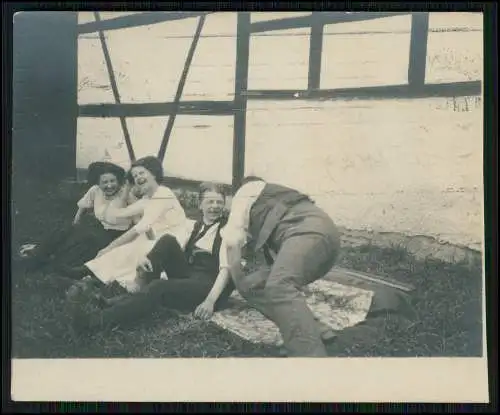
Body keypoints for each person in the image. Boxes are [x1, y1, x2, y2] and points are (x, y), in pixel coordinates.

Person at [68, 182, 235, 332]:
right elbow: (173, 247)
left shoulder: (228, 230)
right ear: (200, 204)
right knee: (167, 240)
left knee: (159, 286)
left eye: (219, 202)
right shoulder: (195, 226)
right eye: (210, 201)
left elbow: (226, 270)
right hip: (190, 274)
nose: (215, 206)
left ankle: (93, 323)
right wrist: (147, 258)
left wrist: (210, 301)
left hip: (209, 284)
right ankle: (134, 299)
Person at [221, 176, 342, 357]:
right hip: (324, 241)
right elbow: (272, 260)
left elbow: (231, 241)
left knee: (278, 286)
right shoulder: (268, 211)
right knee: (253, 284)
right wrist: (244, 285)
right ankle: (313, 329)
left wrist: (236, 278)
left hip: (309, 232)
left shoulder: (246, 192)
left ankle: (311, 357)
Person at [64, 155, 189, 293]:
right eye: (134, 176)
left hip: (170, 242)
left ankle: (94, 277)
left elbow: (140, 227)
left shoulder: (163, 194)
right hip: (155, 236)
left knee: (129, 250)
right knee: (124, 250)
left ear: (153, 173)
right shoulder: (147, 198)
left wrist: (109, 248)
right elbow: (116, 213)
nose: (138, 178)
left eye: (142, 173)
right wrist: (127, 189)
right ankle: (87, 273)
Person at [20, 160, 136, 274]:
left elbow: (139, 218)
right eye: (104, 182)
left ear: (118, 181)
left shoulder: (125, 195)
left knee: (85, 242)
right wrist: (75, 223)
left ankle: (54, 265)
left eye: (112, 181)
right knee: (64, 230)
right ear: (98, 183)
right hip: (99, 227)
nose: (109, 185)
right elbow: (83, 207)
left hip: (114, 236)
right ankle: (38, 254)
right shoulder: (95, 191)